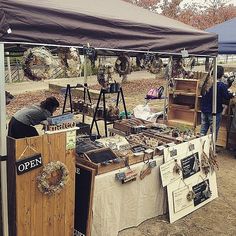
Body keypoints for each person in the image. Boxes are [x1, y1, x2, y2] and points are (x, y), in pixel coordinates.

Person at [200, 65, 234, 139]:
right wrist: (233, 94)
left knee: (203, 130)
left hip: (204, 110)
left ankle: (201, 147)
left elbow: (201, 93)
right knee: (213, 132)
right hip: (214, 112)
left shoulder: (206, 83)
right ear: (222, 75)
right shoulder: (221, 85)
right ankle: (211, 149)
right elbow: (227, 96)